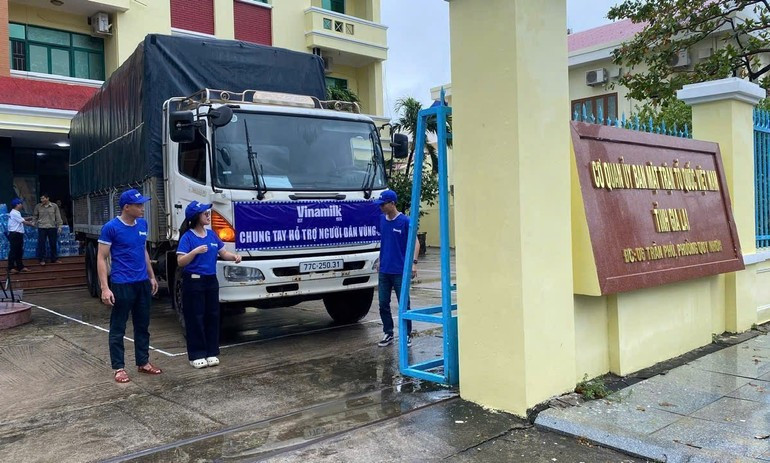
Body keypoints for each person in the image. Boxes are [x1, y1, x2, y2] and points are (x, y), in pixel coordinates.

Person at [97, 188, 162, 383]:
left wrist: (151, 276)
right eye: (138, 205)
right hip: (122, 283)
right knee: (118, 327)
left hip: (141, 283)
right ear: (127, 207)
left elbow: (143, 251)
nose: (143, 208)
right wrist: (104, 288)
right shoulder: (111, 228)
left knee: (143, 324)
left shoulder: (142, 224)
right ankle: (119, 367)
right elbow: (101, 258)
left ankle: (143, 362)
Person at [177, 201, 241, 368]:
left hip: (211, 280)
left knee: (212, 316)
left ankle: (212, 352)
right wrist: (195, 252)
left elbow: (223, 252)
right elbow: (181, 261)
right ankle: (196, 354)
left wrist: (234, 257)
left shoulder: (212, 234)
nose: (208, 215)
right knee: (195, 317)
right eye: (204, 213)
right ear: (195, 217)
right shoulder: (188, 237)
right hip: (194, 281)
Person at [373, 189, 419, 347]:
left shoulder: (405, 221)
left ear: (392, 203)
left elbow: (416, 243)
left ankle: (407, 334)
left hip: (400, 271)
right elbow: (385, 242)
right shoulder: (382, 220)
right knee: (383, 303)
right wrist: (379, 260)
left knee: (404, 304)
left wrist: (413, 263)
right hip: (385, 270)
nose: (381, 207)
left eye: (383, 204)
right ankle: (388, 332)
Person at [33, 194, 63, 266]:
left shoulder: (54, 206)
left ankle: (54, 259)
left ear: (47, 198)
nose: (42, 200)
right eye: (41, 199)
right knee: (42, 244)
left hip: (52, 227)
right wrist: (34, 222)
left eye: (43, 198)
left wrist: (59, 226)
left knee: (53, 243)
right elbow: (35, 216)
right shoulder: (38, 206)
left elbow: (58, 217)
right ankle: (42, 259)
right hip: (42, 227)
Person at [7, 198, 34, 274]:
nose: (22, 205)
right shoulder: (14, 213)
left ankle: (20, 266)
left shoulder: (16, 213)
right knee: (13, 251)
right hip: (15, 234)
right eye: (20, 203)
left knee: (19, 251)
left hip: (18, 234)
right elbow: (24, 222)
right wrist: (32, 224)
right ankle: (11, 267)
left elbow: (22, 219)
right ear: (17, 205)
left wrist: (31, 217)